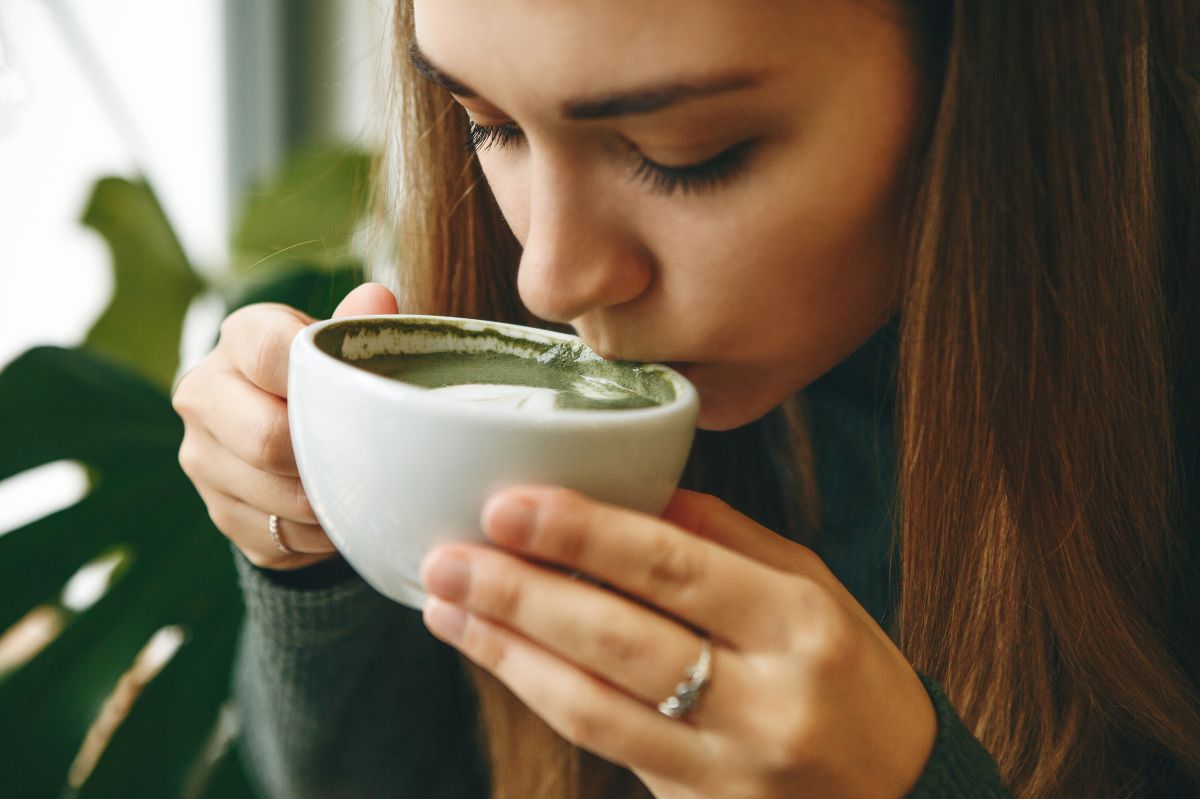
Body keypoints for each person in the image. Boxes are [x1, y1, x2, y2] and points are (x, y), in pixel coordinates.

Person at [171, 0, 1200, 796]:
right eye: (488, 125)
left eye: (686, 154)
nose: (552, 281)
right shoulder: (516, 318)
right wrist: (319, 553)